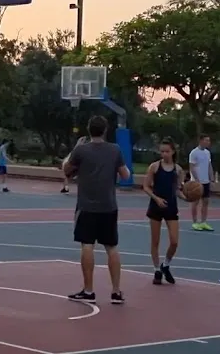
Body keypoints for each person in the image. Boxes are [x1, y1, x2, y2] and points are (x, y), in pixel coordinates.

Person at [62, 115, 129, 305]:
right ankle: (116, 291)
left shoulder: (81, 150)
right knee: (111, 247)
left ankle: (89, 290)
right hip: (109, 205)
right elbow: (125, 175)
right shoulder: (115, 150)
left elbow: (66, 169)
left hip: (87, 206)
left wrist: (74, 150)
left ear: (89, 129)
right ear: (105, 130)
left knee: (87, 245)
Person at [143, 138, 184, 285]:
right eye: (162, 151)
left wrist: (187, 197)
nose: (164, 154)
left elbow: (177, 190)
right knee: (155, 241)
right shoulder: (154, 167)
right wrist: (156, 198)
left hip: (171, 207)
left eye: (167, 151)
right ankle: (156, 270)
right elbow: (146, 186)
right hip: (156, 207)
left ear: (173, 152)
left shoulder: (178, 170)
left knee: (174, 242)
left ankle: (165, 265)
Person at [188, 135, 216, 231]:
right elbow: (192, 167)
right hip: (196, 182)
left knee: (206, 201)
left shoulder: (207, 153)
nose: (208, 142)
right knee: (195, 202)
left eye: (209, 140)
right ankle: (195, 222)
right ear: (200, 141)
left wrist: (212, 179)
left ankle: (203, 222)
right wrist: (197, 180)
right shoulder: (194, 153)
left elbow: (209, 166)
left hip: (206, 181)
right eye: (206, 140)